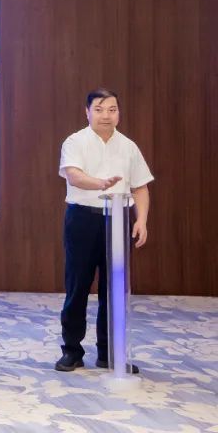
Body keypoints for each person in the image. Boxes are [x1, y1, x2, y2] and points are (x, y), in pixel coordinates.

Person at [55, 87, 152, 373]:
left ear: (119, 113)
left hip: (119, 220)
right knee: (78, 286)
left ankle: (109, 353)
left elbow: (140, 187)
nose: (106, 115)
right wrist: (101, 184)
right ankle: (72, 351)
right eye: (99, 109)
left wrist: (141, 220)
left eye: (112, 109)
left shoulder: (129, 146)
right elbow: (73, 175)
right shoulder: (75, 141)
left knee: (114, 289)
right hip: (83, 219)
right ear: (87, 112)